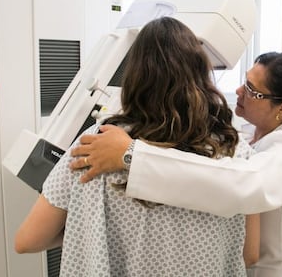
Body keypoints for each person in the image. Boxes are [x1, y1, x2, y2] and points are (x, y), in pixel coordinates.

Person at [15, 16, 259, 276]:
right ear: (200, 74)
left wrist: (85, 227)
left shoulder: (97, 144)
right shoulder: (235, 150)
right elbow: (250, 253)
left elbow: (28, 240)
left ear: (134, 76)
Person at [70, 51, 282, 277]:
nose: (238, 91)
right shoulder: (247, 135)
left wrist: (131, 155)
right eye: (244, 82)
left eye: (251, 90)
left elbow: (241, 184)